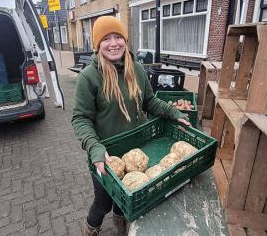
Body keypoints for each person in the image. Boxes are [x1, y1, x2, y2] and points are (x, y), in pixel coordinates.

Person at [71, 16, 190, 236]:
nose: (114, 43)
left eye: (118, 37)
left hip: (136, 147)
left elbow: (149, 101)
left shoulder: (136, 68)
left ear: (125, 40)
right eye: (106, 38)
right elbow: (80, 118)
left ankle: (121, 227)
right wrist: (93, 146)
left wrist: (173, 112)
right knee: (103, 203)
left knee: (126, 201)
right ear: (97, 45)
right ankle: (90, 229)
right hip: (106, 156)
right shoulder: (89, 77)